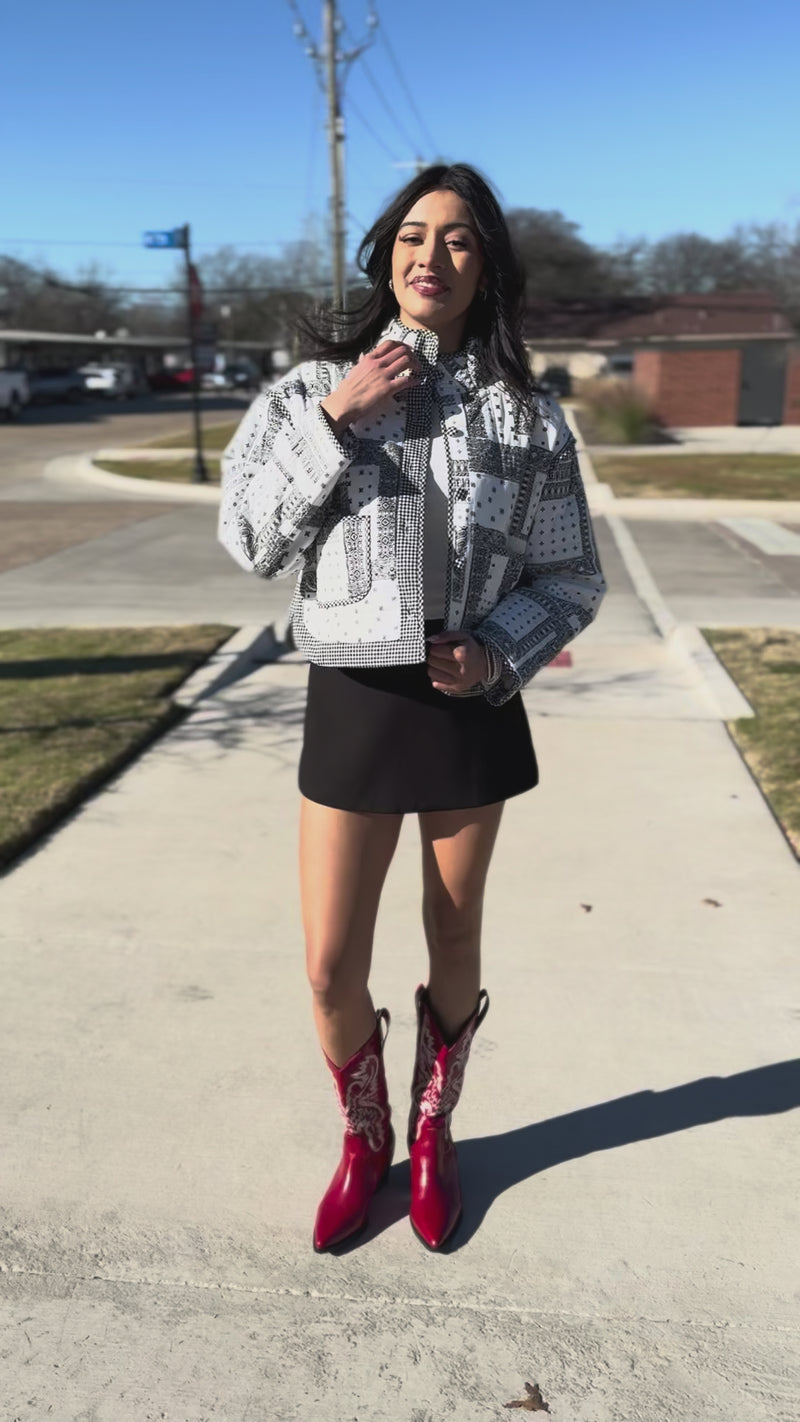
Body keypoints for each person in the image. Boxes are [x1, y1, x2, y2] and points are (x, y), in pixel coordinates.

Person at [218, 163, 606, 1254]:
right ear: (385, 253)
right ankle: (364, 1132)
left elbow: (571, 577)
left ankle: (432, 1135)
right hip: (353, 696)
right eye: (413, 237)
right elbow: (251, 543)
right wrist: (338, 419)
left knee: (453, 932)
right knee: (329, 962)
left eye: (458, 242)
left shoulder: (527, 419)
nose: (430, 258)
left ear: (486, 271)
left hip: (469, 701)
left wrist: (495, 652)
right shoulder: (307, 393)